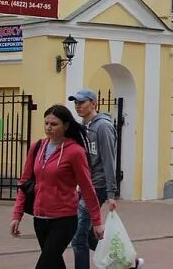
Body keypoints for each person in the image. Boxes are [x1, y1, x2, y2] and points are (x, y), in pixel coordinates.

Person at [11, 105, 104, 269]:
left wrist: (96, 221)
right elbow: (24, 183)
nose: (48, 128)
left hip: (64, 220)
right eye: (46, 123)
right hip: (39, 219)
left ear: (66, 126)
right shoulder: (37, 147)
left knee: (45, 264)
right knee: (54, 264)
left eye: (54, 124)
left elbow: (87, 188)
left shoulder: (75, 152)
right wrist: (16, 215)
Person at [71, 89, 144, 269]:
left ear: (93, 103)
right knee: (87, 235)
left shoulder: (102, 127)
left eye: (82, 102)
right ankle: (126, 260)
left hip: (99, 186)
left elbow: (109, 160)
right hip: (87, 185)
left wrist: (111, 193)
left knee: (78, 238)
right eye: (76, 103)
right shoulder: (85, 126)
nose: (78, 106)